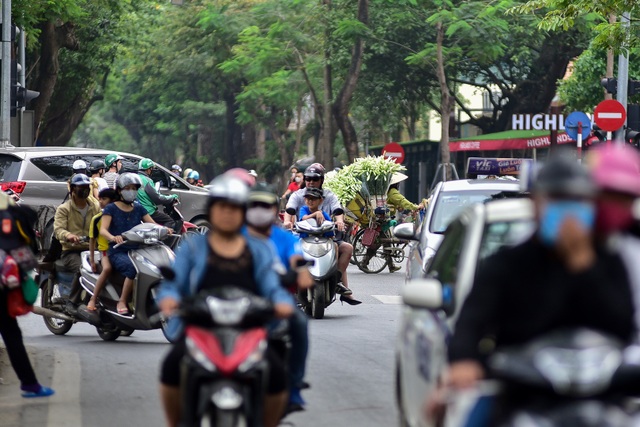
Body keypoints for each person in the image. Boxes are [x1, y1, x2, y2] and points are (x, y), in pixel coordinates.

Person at [432, 154, 635, 422]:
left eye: (577, 201)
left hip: (601, 391)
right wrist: (463, 361)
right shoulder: (507, 263)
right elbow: (472, 320)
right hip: (521, 389)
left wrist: (583, 266)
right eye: (556, 199)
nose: (568, 210)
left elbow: (622, 323)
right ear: (536, 204)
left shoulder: (608, 261)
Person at [157, 175, 295, 427]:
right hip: (201, 328)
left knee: (277, 375)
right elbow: (174, 283)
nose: (228, 213)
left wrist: (281, 302)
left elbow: (271, 286)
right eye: (222, 206)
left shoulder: (259, 249)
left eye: (234, 208)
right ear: (212, 210)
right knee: (171, 366)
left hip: (249, 330)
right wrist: (169, 299)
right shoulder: (194, 247)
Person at [244, 183, 314, 413]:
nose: (259, 210)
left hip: (277, 304)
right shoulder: (233, 236)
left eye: (265, 205)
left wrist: (300, 271)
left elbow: (297, 260)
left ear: (275, 209)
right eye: (254, 205)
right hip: (236, 301)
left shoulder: (285, 239)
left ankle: (293, 386)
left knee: (300, 323)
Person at [0, 192, 55, 398]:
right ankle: (30, 384)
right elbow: (24, 254)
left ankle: (30, 384)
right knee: (12, 335)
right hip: (4, 288)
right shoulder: (10, 219)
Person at [586, 145, 640, 339]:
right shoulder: (548, 245)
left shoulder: (633, 251)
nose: (614, 205)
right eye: (607, 194)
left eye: (624, 198)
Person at [284, 163, 355, 298]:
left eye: (315, 179)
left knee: (346, 248)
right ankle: (290, 285)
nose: (311, 182)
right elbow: (290, 209)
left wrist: (339, 221)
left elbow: (337, 210)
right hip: (302, 236)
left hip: (326, 237)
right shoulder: (298, 195)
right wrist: (287, 221)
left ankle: (337, 280)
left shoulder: (329, 195)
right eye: (308, 179)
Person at [100, 173, 156, 315]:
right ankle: (122, 301)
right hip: (117, 251)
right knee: (133, 269)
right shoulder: (111, 208)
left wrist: (165, 229)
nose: (131, 191)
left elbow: (153, 224)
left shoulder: (138, 208)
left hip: (137, 250)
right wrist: (113, 237)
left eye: (134, 188)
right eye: (127, 188)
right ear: (119, 190)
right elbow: (102, 230)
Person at [298, 187, 360, 305]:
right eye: (308, 198)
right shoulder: (304, 209)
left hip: (323, 243)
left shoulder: (325, 214)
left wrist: (338, 223)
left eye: (314, 199)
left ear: (321, 201)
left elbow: (331, 232)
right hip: (306, 242)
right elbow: (303, 219)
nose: (311, 201)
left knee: (338, 246)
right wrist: (316, 214)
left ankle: (337, 278)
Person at [53, 174, 101, 309]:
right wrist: (68, 235)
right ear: (73, 189)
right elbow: (58, 230)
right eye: (81, 187)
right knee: (84, 269)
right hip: (71, 252)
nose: (84, 190)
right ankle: (72, 302)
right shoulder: (64, 209)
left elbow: (102, 225)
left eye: (86, 187)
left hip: (92, 250)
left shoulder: (96, 206)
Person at [86, 188, 118, 311]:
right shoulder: (97, 219)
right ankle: (93, 298)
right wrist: (93, 261)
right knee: (107, 269)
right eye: (100, 198)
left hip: (120, 251)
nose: (100, 201)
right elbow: (92, 240)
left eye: (104, 199)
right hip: (105, 251)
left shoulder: (121, 215)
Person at [137, 158, 180, 233]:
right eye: (152, 169)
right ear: (148, 169)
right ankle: (162, 240)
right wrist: (172, 197)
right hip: (148, 211)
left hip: (137, 209)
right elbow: (157, 198)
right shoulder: (147, 180)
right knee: (170, 221)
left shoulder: (135, 177)